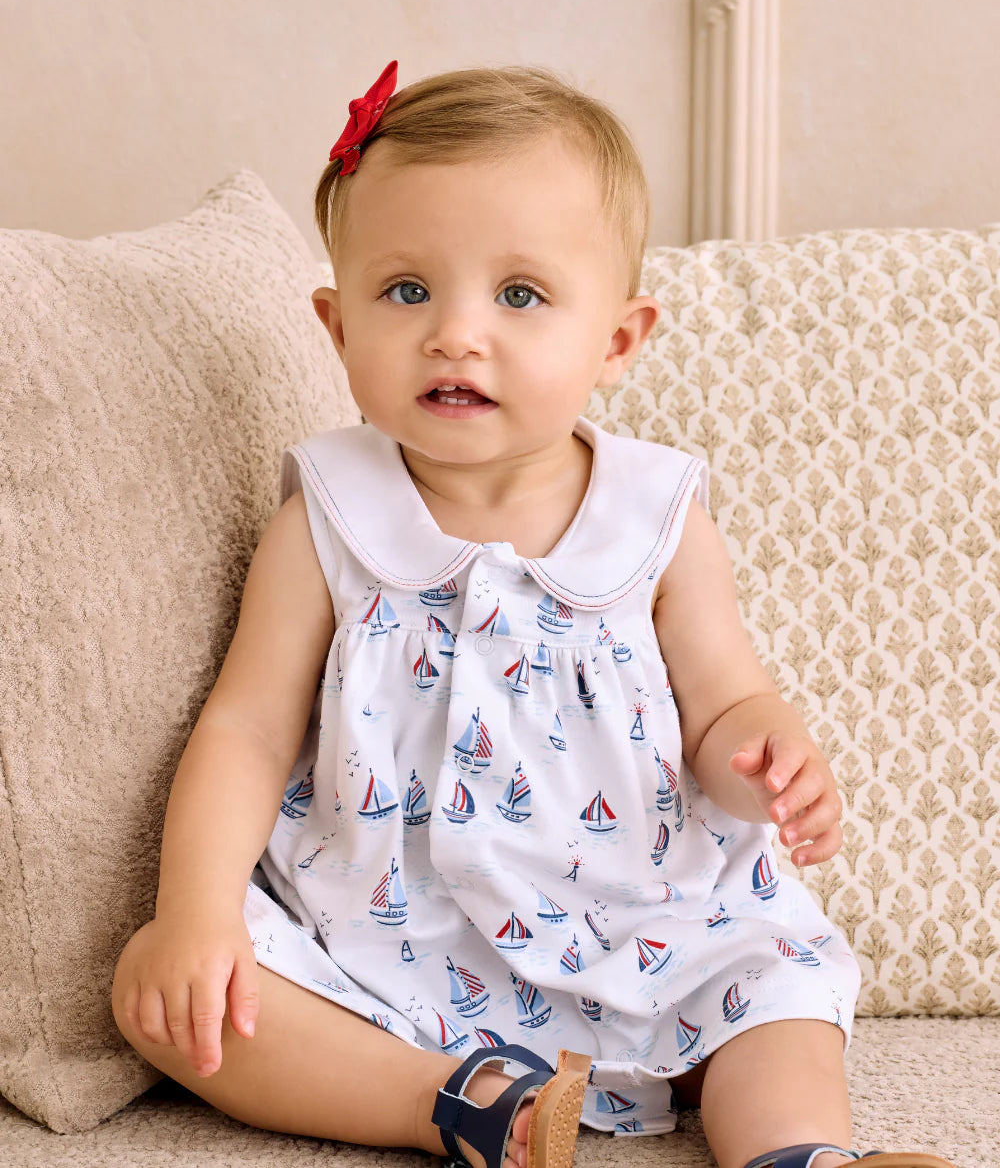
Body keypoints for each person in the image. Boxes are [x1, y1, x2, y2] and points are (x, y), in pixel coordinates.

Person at [111, 62, 957, 1168]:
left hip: (648, 924)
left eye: (518, 295)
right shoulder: (328, 517)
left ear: (618, 341)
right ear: (336, 325)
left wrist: (769, 756)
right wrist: (199, 911)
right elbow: (247, 730)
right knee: (161, 991)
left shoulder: (656, 516)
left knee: (778, 992)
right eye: (406, 291)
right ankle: (463, 1105)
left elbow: (725, 706)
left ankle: (798, 1155)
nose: (456, 335)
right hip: (389, 939)